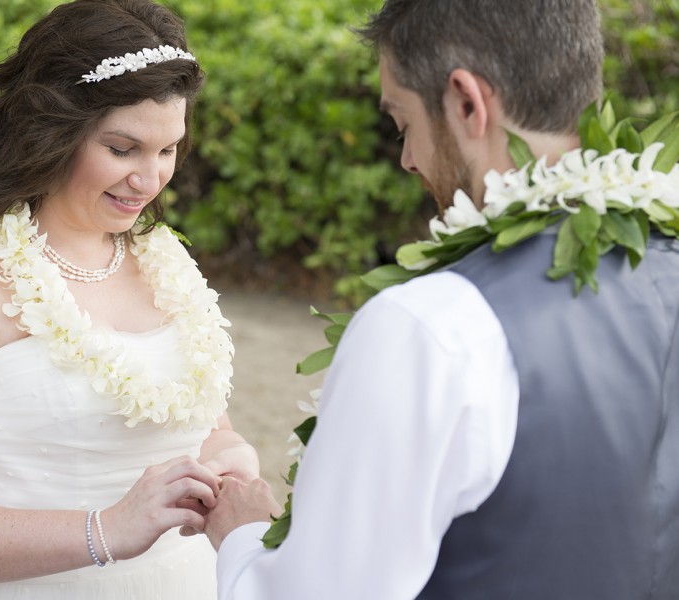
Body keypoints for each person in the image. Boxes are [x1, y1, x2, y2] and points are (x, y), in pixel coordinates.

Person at [203, 1, 679, 598]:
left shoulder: (432, 328)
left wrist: (246, 536)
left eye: (403, 125)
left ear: (465, 103)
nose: (406, 160)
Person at [0, 1, 260, 598]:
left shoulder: (162, 261)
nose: (150, 181)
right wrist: (105, 531)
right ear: (50, 133)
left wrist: (232, 462)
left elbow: (202, 432)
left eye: (168, 150)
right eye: (123, 150)